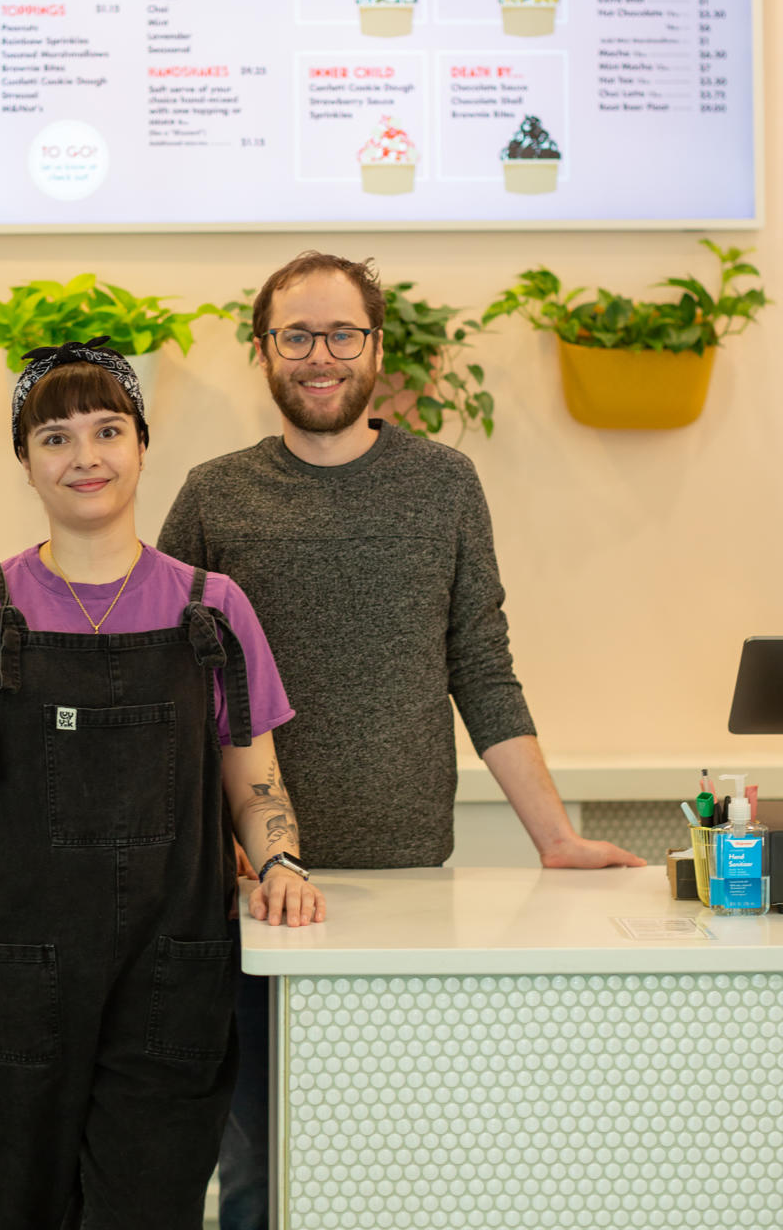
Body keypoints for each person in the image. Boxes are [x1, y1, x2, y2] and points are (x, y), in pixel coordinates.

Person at [157, 250, 646, 1230]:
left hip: (415, 889)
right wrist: (209, 856)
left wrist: (555, 838)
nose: (320, 355)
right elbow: (165, 688)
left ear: (378, 348)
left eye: (342, 333)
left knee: (401, 1168)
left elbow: (484, 666)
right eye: (296, 334)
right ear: (263, 351)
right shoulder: (214, 496)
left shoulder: (445, 485)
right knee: (260, 1173)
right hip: (253, 899)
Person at [0, 338, 325, 1230]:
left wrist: (281, 864)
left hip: (170, 983)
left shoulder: (215, 609)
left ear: (142, 445)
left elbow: (255, 782)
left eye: (107, 430)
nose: (85, 457)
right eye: (55, 438)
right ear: (25, 462)